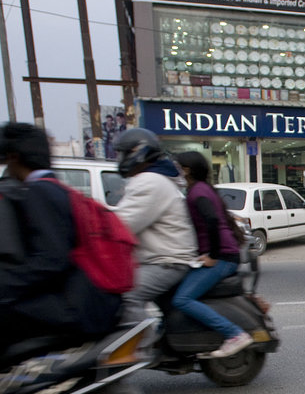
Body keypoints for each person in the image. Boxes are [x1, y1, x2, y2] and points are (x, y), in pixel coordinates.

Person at [0, 122, 122, 356]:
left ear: (14, 157)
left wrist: (7, 285)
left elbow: (52, 259)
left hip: (77, 305)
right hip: (89, 299)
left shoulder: (39, 192)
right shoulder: (55, 188)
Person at [112, 128, 198, 325]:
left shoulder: (150, 181)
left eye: (122, 153)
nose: (119, 159)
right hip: (162, 258)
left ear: (137, 153)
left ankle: (139, 350)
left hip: (167, 261)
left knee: (126, 295)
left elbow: (122, 224)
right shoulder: (156, 179)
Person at [171, 151, 252, 359]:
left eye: (177, 165)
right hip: (223, 253)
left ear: (187, 170)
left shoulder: (198, 192)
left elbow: (212, 221)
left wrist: (213, 255)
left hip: (224, 256)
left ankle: (234, 334)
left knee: (182, 299)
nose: (174, 169)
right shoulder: (201, 189)